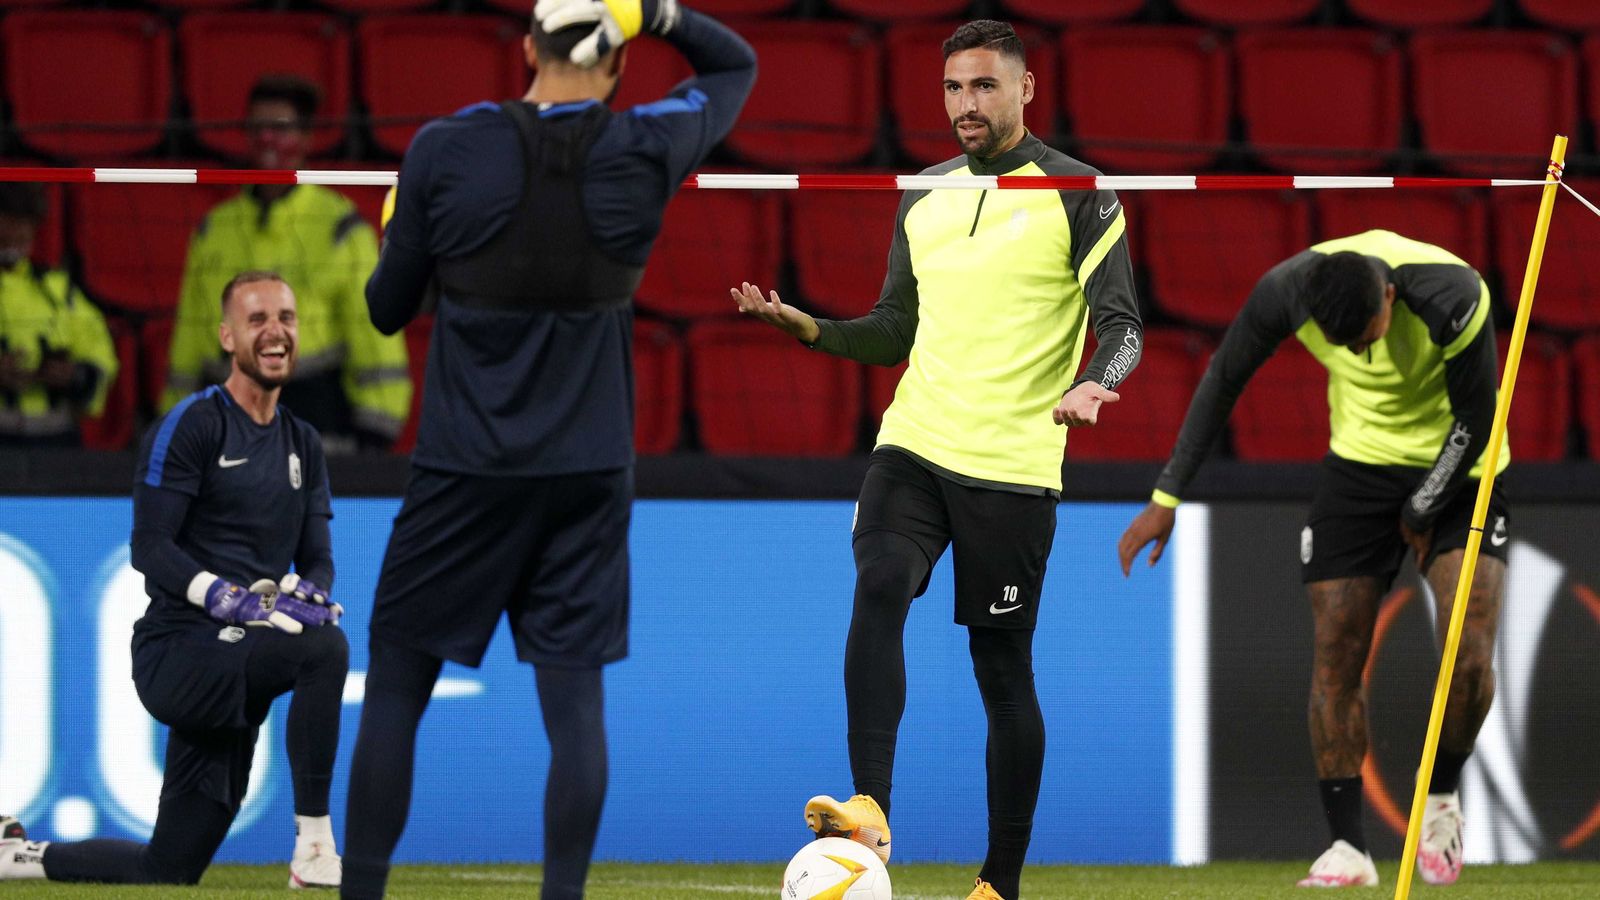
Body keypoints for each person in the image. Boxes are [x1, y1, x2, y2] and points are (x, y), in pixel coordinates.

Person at [340, 1, 753, 897]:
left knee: (398, 693)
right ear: (614, 68)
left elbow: (384, 309)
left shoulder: (444, 149)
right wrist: (658, 11)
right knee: (575, 710)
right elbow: (733, 69)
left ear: (526, 49)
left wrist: (395, 230)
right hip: (587, 472)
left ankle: (362, 890)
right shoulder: (645, 146)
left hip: (463, 471)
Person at [732, 20, 1141, 900]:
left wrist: (1098, 384)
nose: (967, 104)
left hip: (1014, 467)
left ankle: (999, 881)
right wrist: (806, 328)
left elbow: (1125, 328)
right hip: (915, 443)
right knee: (879, 580)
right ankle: (870, 808)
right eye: (955, 88)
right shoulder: (923, 192)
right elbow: (893, 333)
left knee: (1002, 672)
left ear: (1026, 90)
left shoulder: (1083, 194)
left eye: (986, 87)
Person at [1117, 231, 1506, 888]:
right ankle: (1348, 848)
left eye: (1368, 335)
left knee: (1469, 650)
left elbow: (1476, 417)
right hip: (1358, 469)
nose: (1358, 351)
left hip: (1460, 465)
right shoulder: (1286, 291)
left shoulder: (1455, 296)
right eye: (1345, 342)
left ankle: (1440, 794)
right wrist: (1166, 496)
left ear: (1390, 296)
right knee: (1335, 650)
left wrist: (1420, 510)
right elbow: (1224, 378)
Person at [0, 271, 349, 888]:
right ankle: (316, 844)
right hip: (178, 652)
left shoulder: (304, 442)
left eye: (287, 319)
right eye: (258, 319)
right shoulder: (191, 425)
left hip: (240, 658)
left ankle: (17, 858)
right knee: (323, 649)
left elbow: (316, 557)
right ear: (226, 336)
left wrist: (311, 590)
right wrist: (226, 598)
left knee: (171, 868)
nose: (276, 332)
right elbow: (150, 546)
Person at [163, 74, 411, 454]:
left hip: (315, 421)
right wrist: (175, 422)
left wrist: (373, 436)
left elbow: (375, 342)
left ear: (308, 138)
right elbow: (188, 342)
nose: (267, 140)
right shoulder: (214, 229)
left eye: (281, 128)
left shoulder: (340, 228)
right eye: (257, 128)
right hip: (226, 421)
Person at [0, 182, 118, 446]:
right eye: (5, 238)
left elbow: (102, 356)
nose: (12, 246)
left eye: (21, 238)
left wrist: (74, 374)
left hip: (55, 438)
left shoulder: (59, 290)